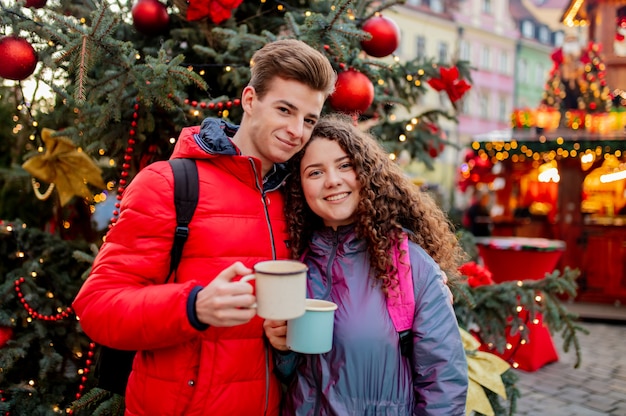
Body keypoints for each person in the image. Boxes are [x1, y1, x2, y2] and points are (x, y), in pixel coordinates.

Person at [72, 39, 336, 415]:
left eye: (309, 120)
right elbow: (97, 307)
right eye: (284, 110)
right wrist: (193, 305)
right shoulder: (168, 184)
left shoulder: (297, 196)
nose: (297, 130)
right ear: (249, 100)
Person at [264, 114, 468, 415]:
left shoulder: (408, 266)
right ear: (300, 187)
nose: (332, 180)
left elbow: (444, 383)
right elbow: (295, 374)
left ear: (367, 173)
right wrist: (283, 350)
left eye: (345, 165)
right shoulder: (296, 263)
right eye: (315, 172)